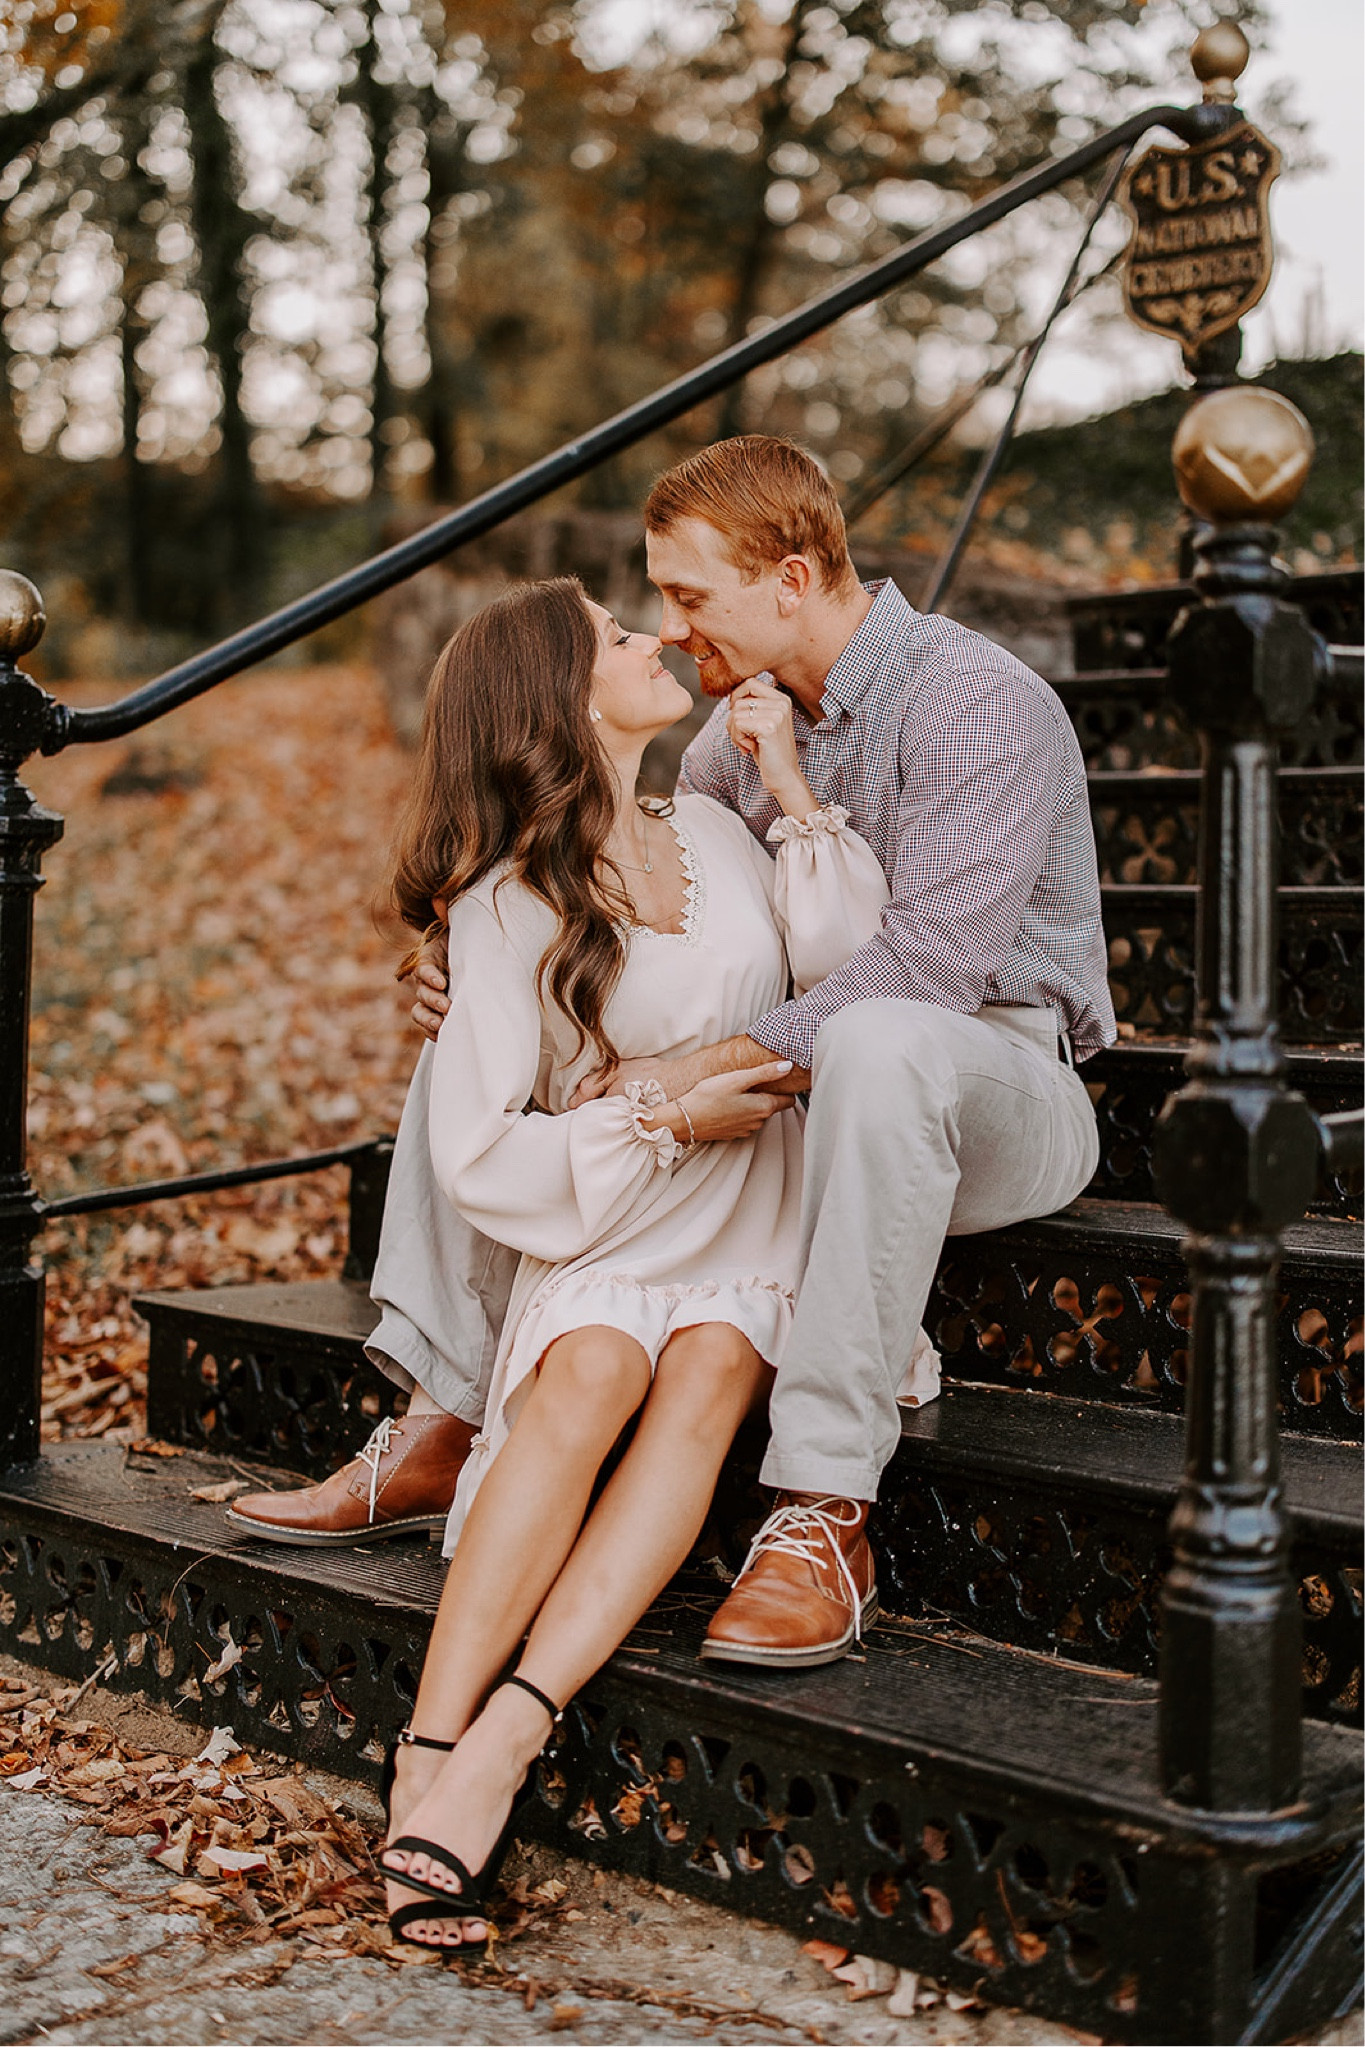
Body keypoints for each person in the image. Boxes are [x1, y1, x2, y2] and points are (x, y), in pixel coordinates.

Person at [232, 433, 1110, 1675]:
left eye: (691, 595)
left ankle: (822, 1508)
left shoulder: (977, 704)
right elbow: (640, 911)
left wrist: (687, 1075)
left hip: (994, 1083)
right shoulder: (723, 746)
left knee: (883, 1035)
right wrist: (476, 965)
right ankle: (445, 1408)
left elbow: (926, 976)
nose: (674, 628)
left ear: (793, 579)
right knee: (482, 1042)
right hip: (810, 1097)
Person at [252, 573, 894, 1947]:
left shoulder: (720, 825)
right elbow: (478, 1154)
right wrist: (660, 1109)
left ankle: (509, 1732)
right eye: (612, 634)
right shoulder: (502, 902)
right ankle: (434, 1743)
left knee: (716, 1362)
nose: (652, 635)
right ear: (552, 690)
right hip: (619, 1210)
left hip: (757, 1204)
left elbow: (849, 961)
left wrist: (788, 777)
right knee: (592, 1366)